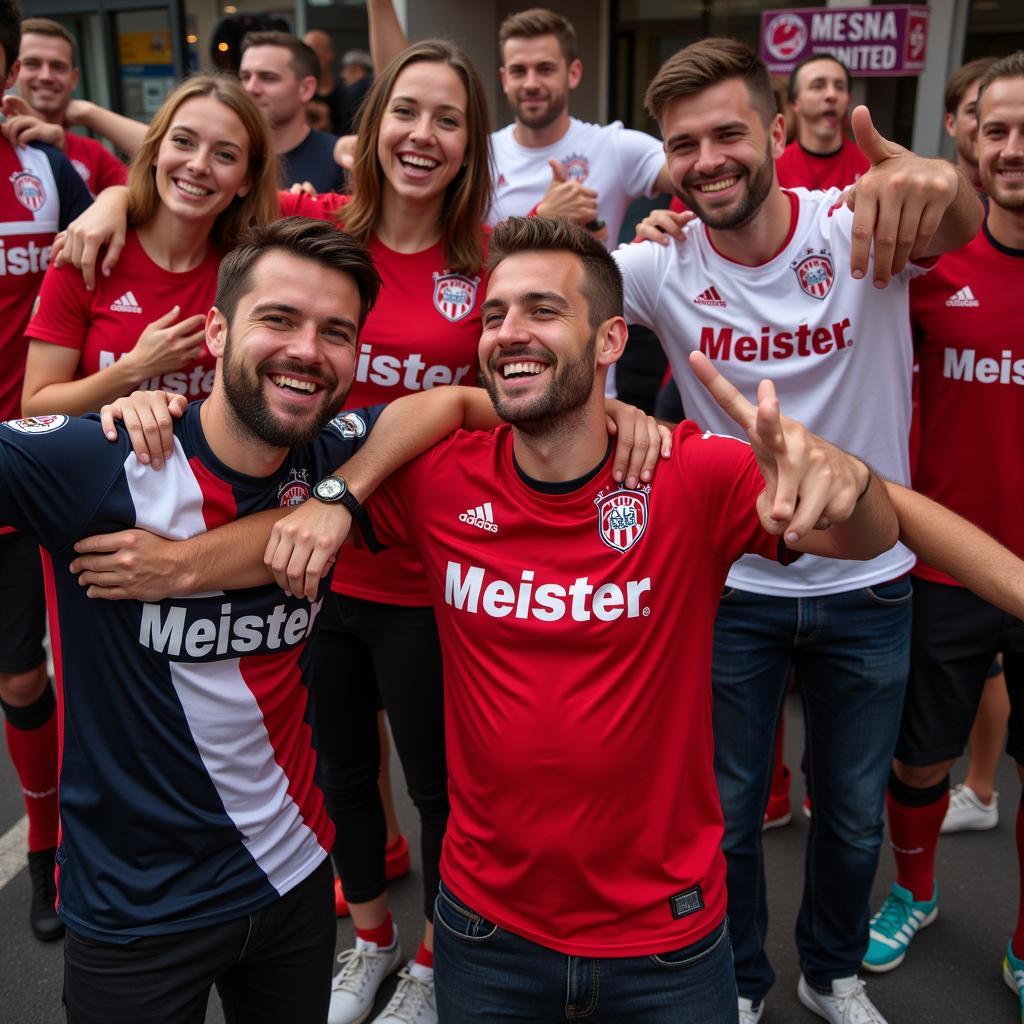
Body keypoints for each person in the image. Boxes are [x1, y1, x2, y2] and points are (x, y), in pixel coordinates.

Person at [73, 213, 901, 1024]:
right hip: (483, 931)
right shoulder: (439, 481)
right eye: (494, 315)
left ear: (611, 341)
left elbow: (869, 535)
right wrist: (192, 479)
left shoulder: (688, 471)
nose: (510, 332)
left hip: (668, 939)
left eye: (543, 310)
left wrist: (849, 480)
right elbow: (288, 506)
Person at [9, 214, 622, 1023]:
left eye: (336, 333)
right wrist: (116, 387)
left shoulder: (333, 453)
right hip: (137, 912)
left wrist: (621, 417)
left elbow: (453, 404)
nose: (307, 350)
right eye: (279, 320)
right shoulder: (101, 458)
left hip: (293, 884)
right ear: (219, 330)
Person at [619, 37, 981, 1024]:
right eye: (683, 144)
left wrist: (940, 183)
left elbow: (952, 218)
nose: (707, 159)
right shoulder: (658, 266)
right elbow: (542, 305)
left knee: (851, 812)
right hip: (732, 587)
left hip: (870, 583)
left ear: (777, 132)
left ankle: (830, 972)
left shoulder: (857, 224)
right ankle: (738, 982)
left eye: (728, 132)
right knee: (727, 814)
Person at [276, 39, 492, 1024]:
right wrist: (106, 207)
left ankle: (438, 960)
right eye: (407, 112)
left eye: (448, 119)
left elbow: (514, 405)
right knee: (340, 774)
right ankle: (368, 941)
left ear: (469, 144)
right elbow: (179, 200)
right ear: (374, 126)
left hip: (439, 582)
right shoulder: (315, 227)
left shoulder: (490, 258)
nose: (423, 135)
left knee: (445, 789)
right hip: (317, 572)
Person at [862, 55, 1024, 1009]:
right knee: (919, 759)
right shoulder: (920, 264)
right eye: (998, 128)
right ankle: (916, 894)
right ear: (965, 134)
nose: (1015, 148)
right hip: (944, 573)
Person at [21, 74, 278, 418]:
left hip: (202, 470)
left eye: (225, 155)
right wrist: (135, 367)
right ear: (156, 150)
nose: (198, 165)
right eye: (184, 141)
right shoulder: (88, 251)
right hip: (98, 467)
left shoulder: (252, 271)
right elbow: (35, 409)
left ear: (246, 179)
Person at [0, 0, 91, 944]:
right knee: (20, 673)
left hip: (38, 455)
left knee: (45, 670)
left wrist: (100, 195)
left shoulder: (43, 168)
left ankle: (52, 845)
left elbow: (129, 208)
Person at [4, 18, 127, 195]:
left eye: (58, 66)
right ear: (13, 72)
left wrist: (89, 113)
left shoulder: (92, 152)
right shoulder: (3, 142)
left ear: (74, 78)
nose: (46, 76)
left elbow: (159, 161)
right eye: (32, 64)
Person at [239, 31, 346, 193]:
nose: (251, 88)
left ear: (306, 88)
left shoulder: (339, 161)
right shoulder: (228, 156)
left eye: (268, 77)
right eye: (245, 77)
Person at [776, 53, 868, 191]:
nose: (832, 95)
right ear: (795, 102)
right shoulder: (773, 169)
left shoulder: (871, 167)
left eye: (839, 87)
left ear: (848, 99)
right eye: (818, 86)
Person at [945, 57, 999, 192]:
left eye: (996, 112)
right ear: (951, 124)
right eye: (974, 111)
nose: (986, 124)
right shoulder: (929, 197)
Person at [304, 28, 347, 136]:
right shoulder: (297, 96)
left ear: (331, 54)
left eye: (319, 48)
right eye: (309, 50)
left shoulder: (347, 94)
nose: (315, 54)